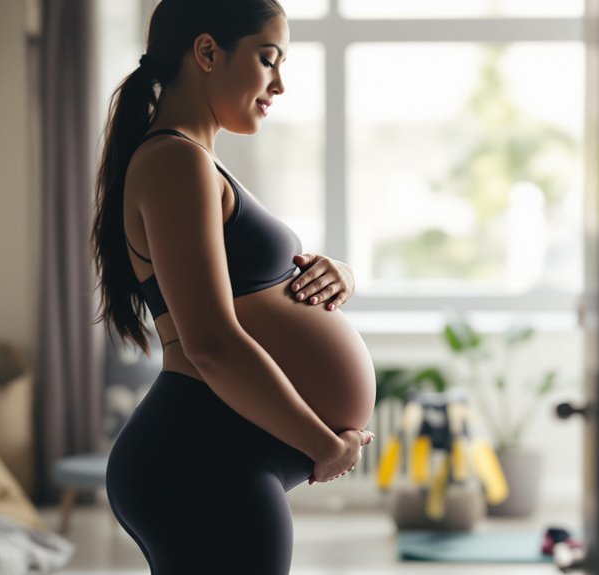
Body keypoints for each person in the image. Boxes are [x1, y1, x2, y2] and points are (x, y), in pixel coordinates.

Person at [90, 0, 378, 572]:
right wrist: (325, 445)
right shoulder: (173, 160)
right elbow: (211, 343)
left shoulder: (191, 160)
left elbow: (245, 289)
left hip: (215, 453)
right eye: (268, 59)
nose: (280, 84)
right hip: (202, 457)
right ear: (206, 52)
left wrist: (337, 275)